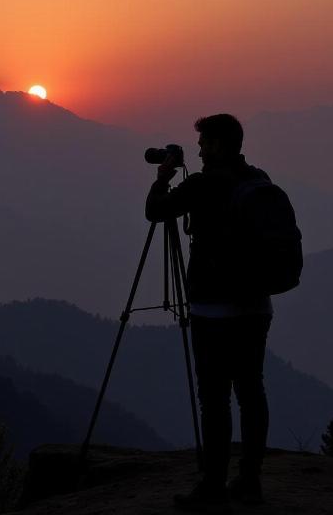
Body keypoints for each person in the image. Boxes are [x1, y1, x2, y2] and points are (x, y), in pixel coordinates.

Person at [145, 113, 273, 513]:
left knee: (214, 399)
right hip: (256, 307)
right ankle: (250, 480)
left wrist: (164, 177)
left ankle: (214, 484)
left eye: (203, 144)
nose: (198, 150)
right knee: (252, 392)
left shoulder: (200, 185)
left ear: (218, 145)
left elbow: (155, 211)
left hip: (213, 311)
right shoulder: (259, 179)